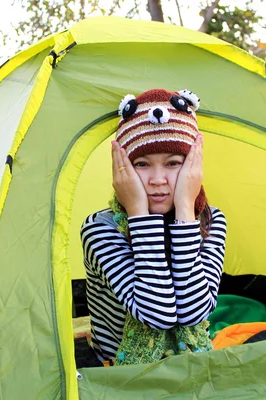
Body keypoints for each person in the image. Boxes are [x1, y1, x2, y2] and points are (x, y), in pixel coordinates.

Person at [80, 88, 227, 366]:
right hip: (117, 369)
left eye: (173, 163)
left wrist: (185, 207)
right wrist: (138, 213)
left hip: (191, 363)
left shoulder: (211, 220)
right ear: (121, 169)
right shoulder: (100, 229)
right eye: (142, 164)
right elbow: (157, 316)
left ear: (192, 167)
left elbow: (194, 313)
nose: (158, 179)